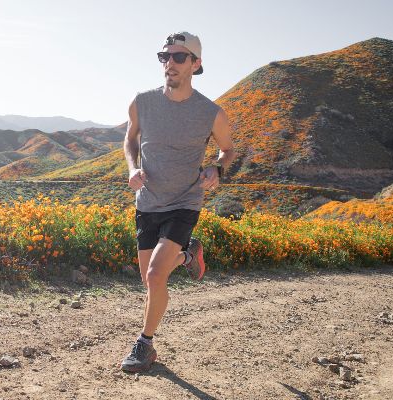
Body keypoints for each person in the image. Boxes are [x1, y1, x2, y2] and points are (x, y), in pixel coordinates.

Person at [120, 31, 237, 372]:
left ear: (196, 64)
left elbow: (229, 150)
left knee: (156, 276)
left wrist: (217, 167)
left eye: (178, 57)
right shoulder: (142, 101)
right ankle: (188, 254)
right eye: (165, 56)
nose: (169, 62)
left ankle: (145, 345)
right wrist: (132, 167)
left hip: (185, 200)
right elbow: (130, 140)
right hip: (148, 201)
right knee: (150, 280)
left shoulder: (210, 112)